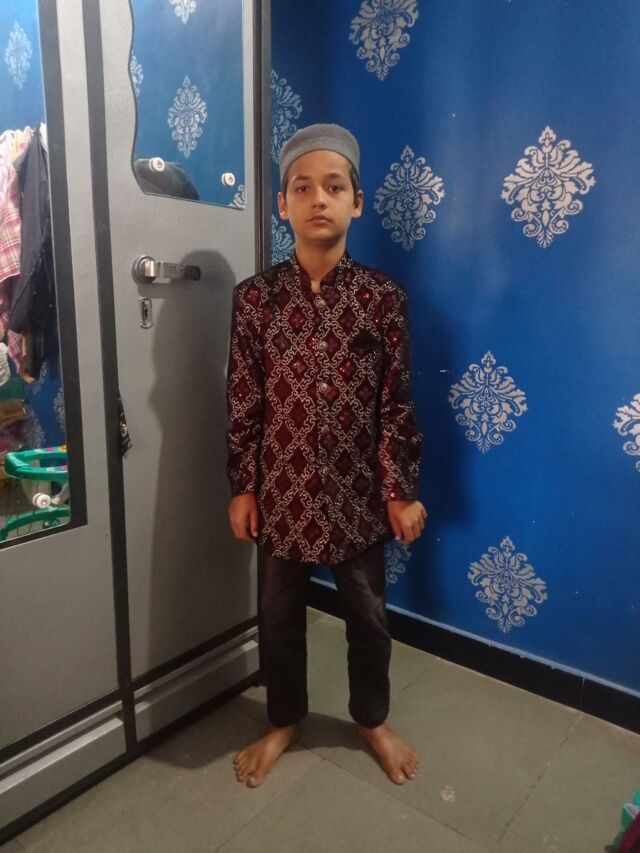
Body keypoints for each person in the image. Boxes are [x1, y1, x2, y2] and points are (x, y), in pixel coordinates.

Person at [226, 124, 427, 788]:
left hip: (356, 495)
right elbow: (244, 399)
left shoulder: (383, 300)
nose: (319, 199)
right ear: (282, 204)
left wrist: (399, 489)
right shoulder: (255, 300)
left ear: (356, 202)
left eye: (334, 187)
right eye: (303, 188)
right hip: (280, 492)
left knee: (368, 615)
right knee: (279, 614)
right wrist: (243, 485)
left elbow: (395, 404)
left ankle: (371, 719)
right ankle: (284, 718)